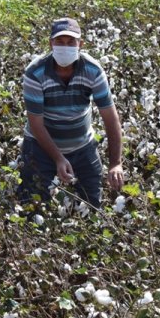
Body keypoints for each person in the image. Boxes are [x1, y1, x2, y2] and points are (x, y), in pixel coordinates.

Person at [18, 17, 124, 208]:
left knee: (91, 206)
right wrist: (58, 158)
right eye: (59, 41)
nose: (64, 46)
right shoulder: (35, 72)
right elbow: (36, 123)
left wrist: (115, 163)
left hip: (83, 148)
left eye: (70, 42)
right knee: (33, 206)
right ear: (50, 43)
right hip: (40, 148)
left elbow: (110, 117)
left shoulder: (93, 70)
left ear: (80, 44)